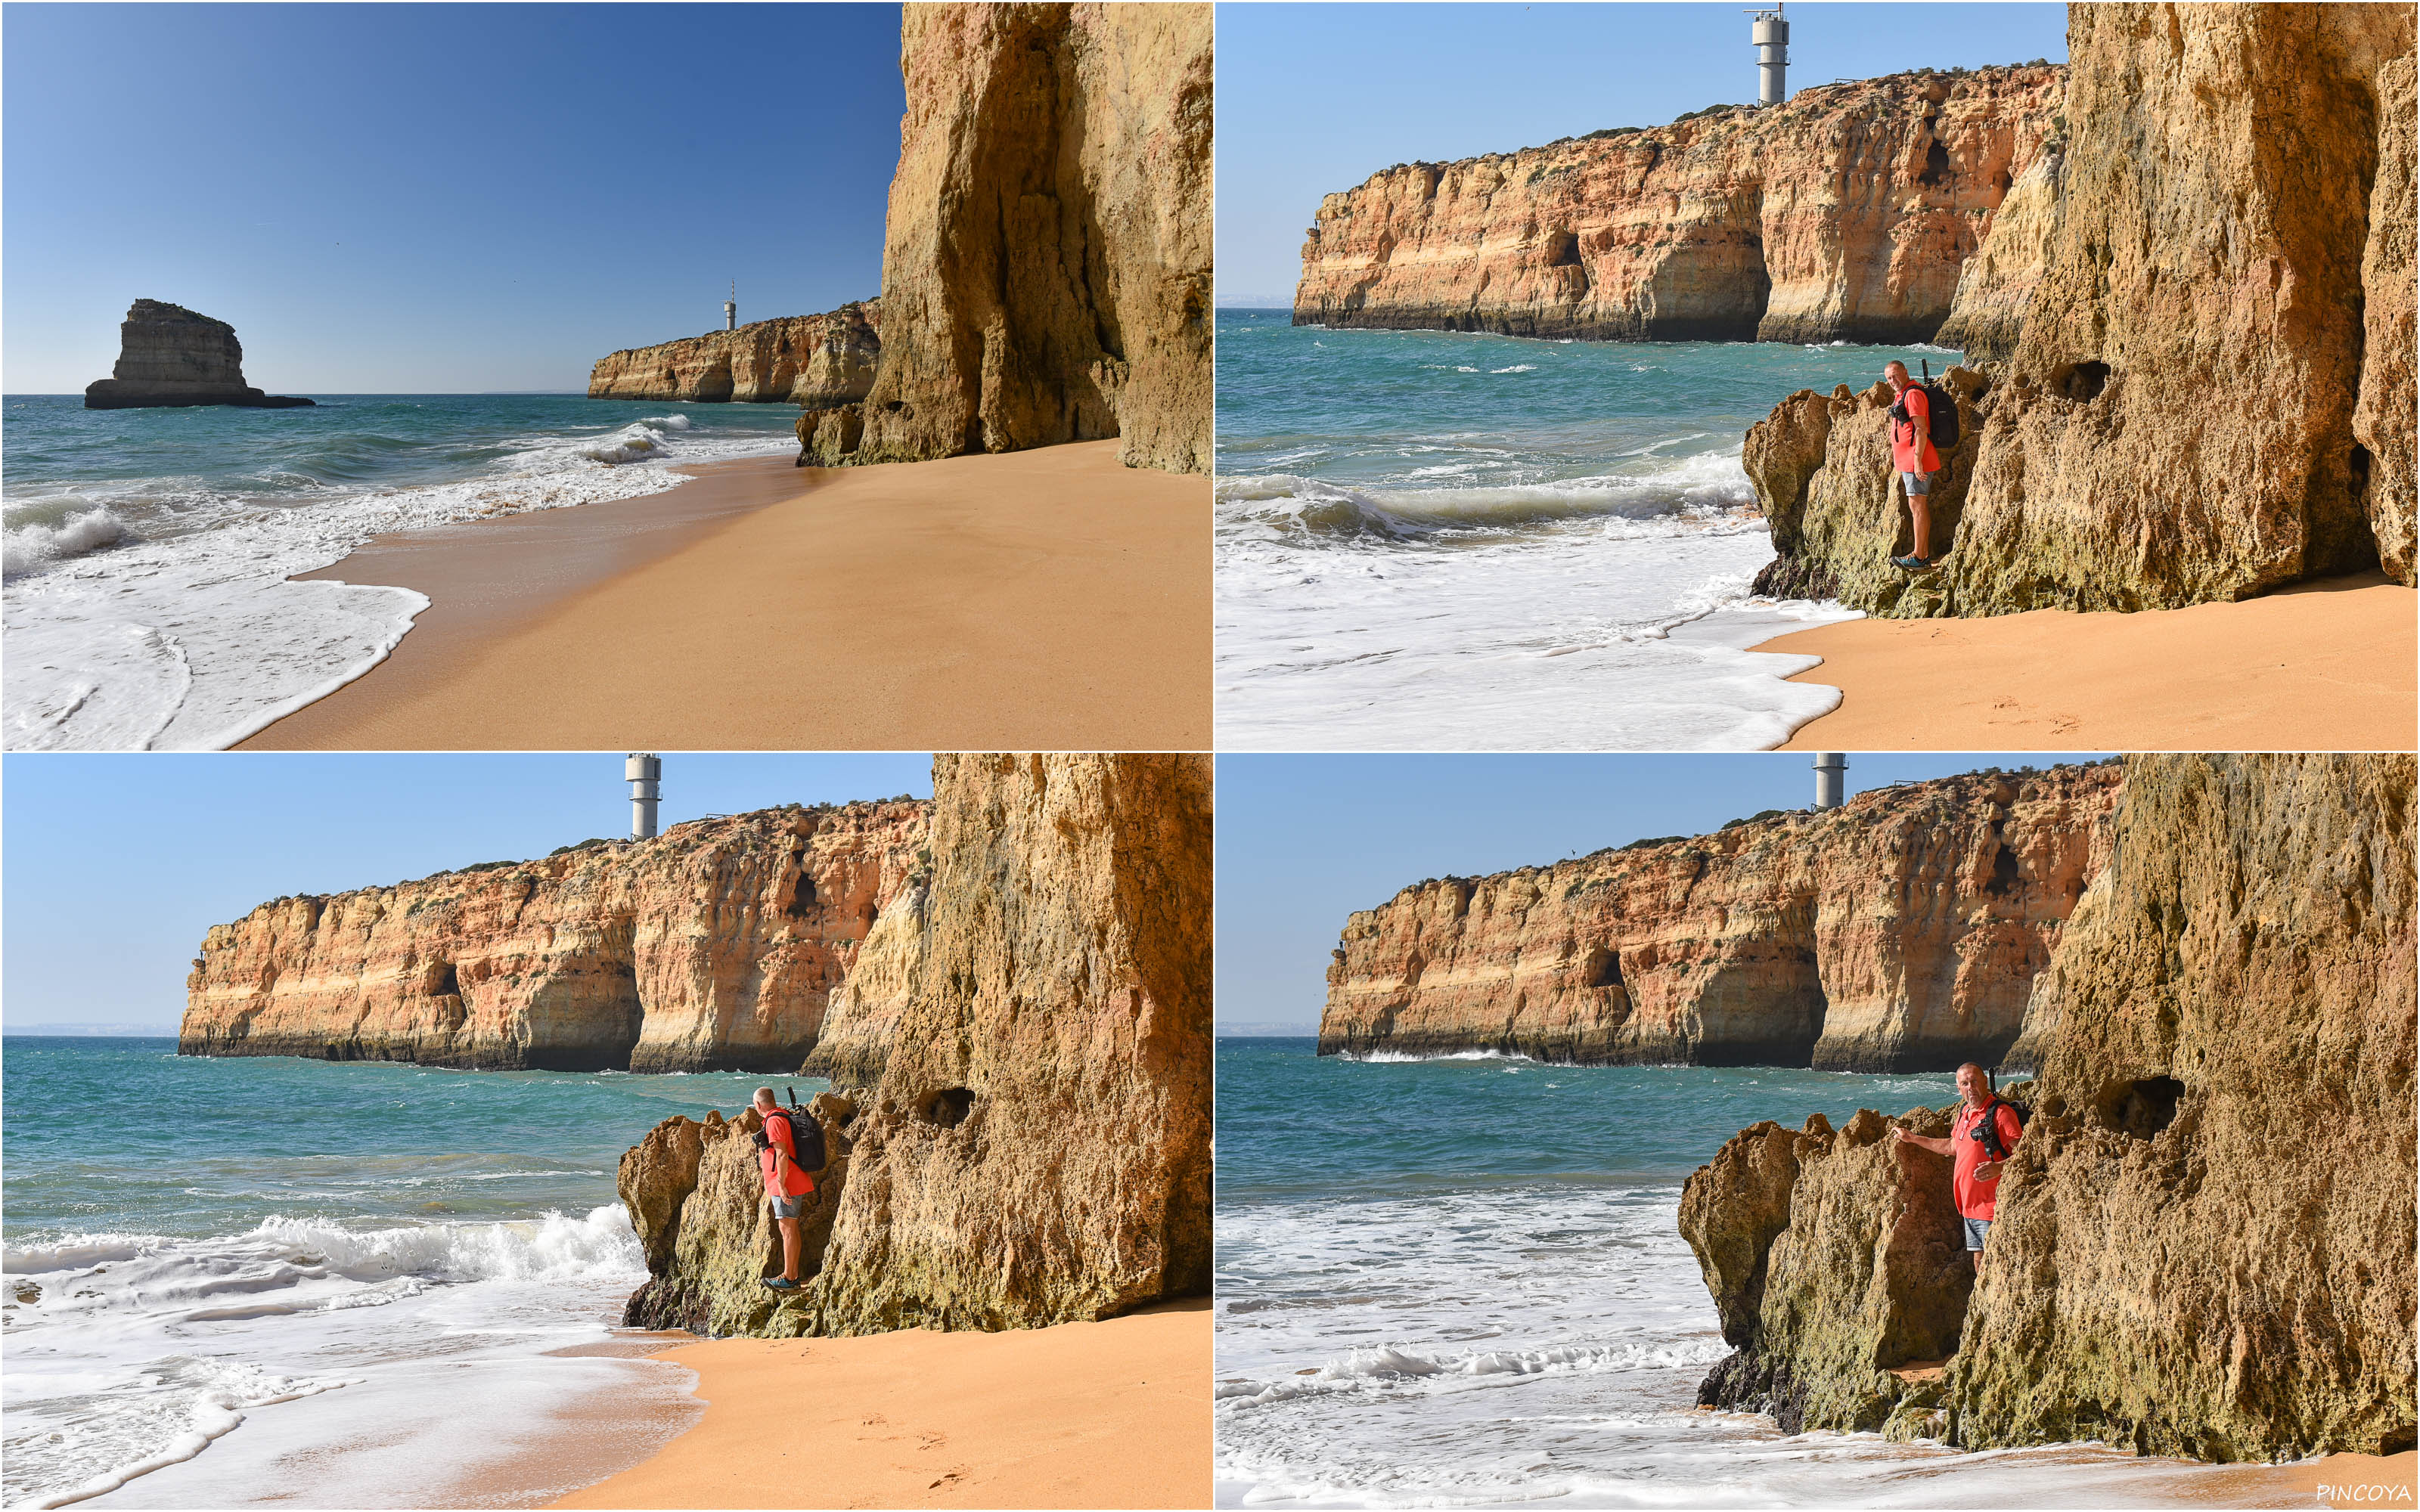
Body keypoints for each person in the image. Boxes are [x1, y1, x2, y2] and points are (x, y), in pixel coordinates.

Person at [1890, 1061, 2022, 1272]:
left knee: (1996, 1266)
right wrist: (1913, 1138)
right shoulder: (1964, 1113)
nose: (1971, 1087)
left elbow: (2027, 1153)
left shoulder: (2000, 1114)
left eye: (1975, 1081)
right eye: (1965, 1084)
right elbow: (1952, 1145)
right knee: (1979, 1261)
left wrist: (2000, 1167)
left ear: (1985, 1082)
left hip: (1994, 1207)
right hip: (1970, 1208)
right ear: (1958, 1088)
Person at [752, 1086, 815, 1290]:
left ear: (758, 1105)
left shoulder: (775, 1120)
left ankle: (789, 1278)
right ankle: (792, 1276)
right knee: (790, 1228)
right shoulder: (781, 1116)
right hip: (790, 1180)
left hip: (787, 1183)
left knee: (787, 1229)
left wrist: (780, 1183)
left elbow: (782, 1153)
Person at [1883, 359, 1941, 572]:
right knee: (1917, 506)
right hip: (1910, 462)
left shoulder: (1913, 394)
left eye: (1896, 375)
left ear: (1906, 372)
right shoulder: (1903, 393)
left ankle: (1918, 557)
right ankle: (1922, 556)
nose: (1893, 381)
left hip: (1918, 461)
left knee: (1917, 507)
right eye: (1889, 378)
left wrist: (1917, 461)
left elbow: (1920, 429)